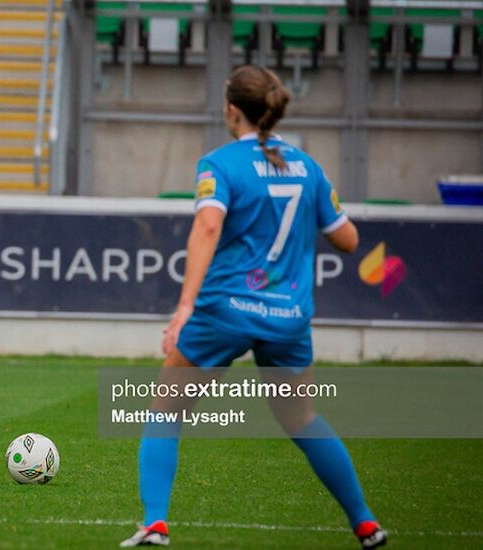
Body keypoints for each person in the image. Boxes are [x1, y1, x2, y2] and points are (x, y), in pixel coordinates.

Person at [120, 66, 387, 549]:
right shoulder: (308, 167)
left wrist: (183, 310)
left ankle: (155, 523)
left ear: (232, 109)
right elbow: (348, 239)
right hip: (288, 316)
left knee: (165, 408)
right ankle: (365, 523)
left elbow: (206, 229)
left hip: (226, 309)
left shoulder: (220, 163)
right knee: (302, 419)